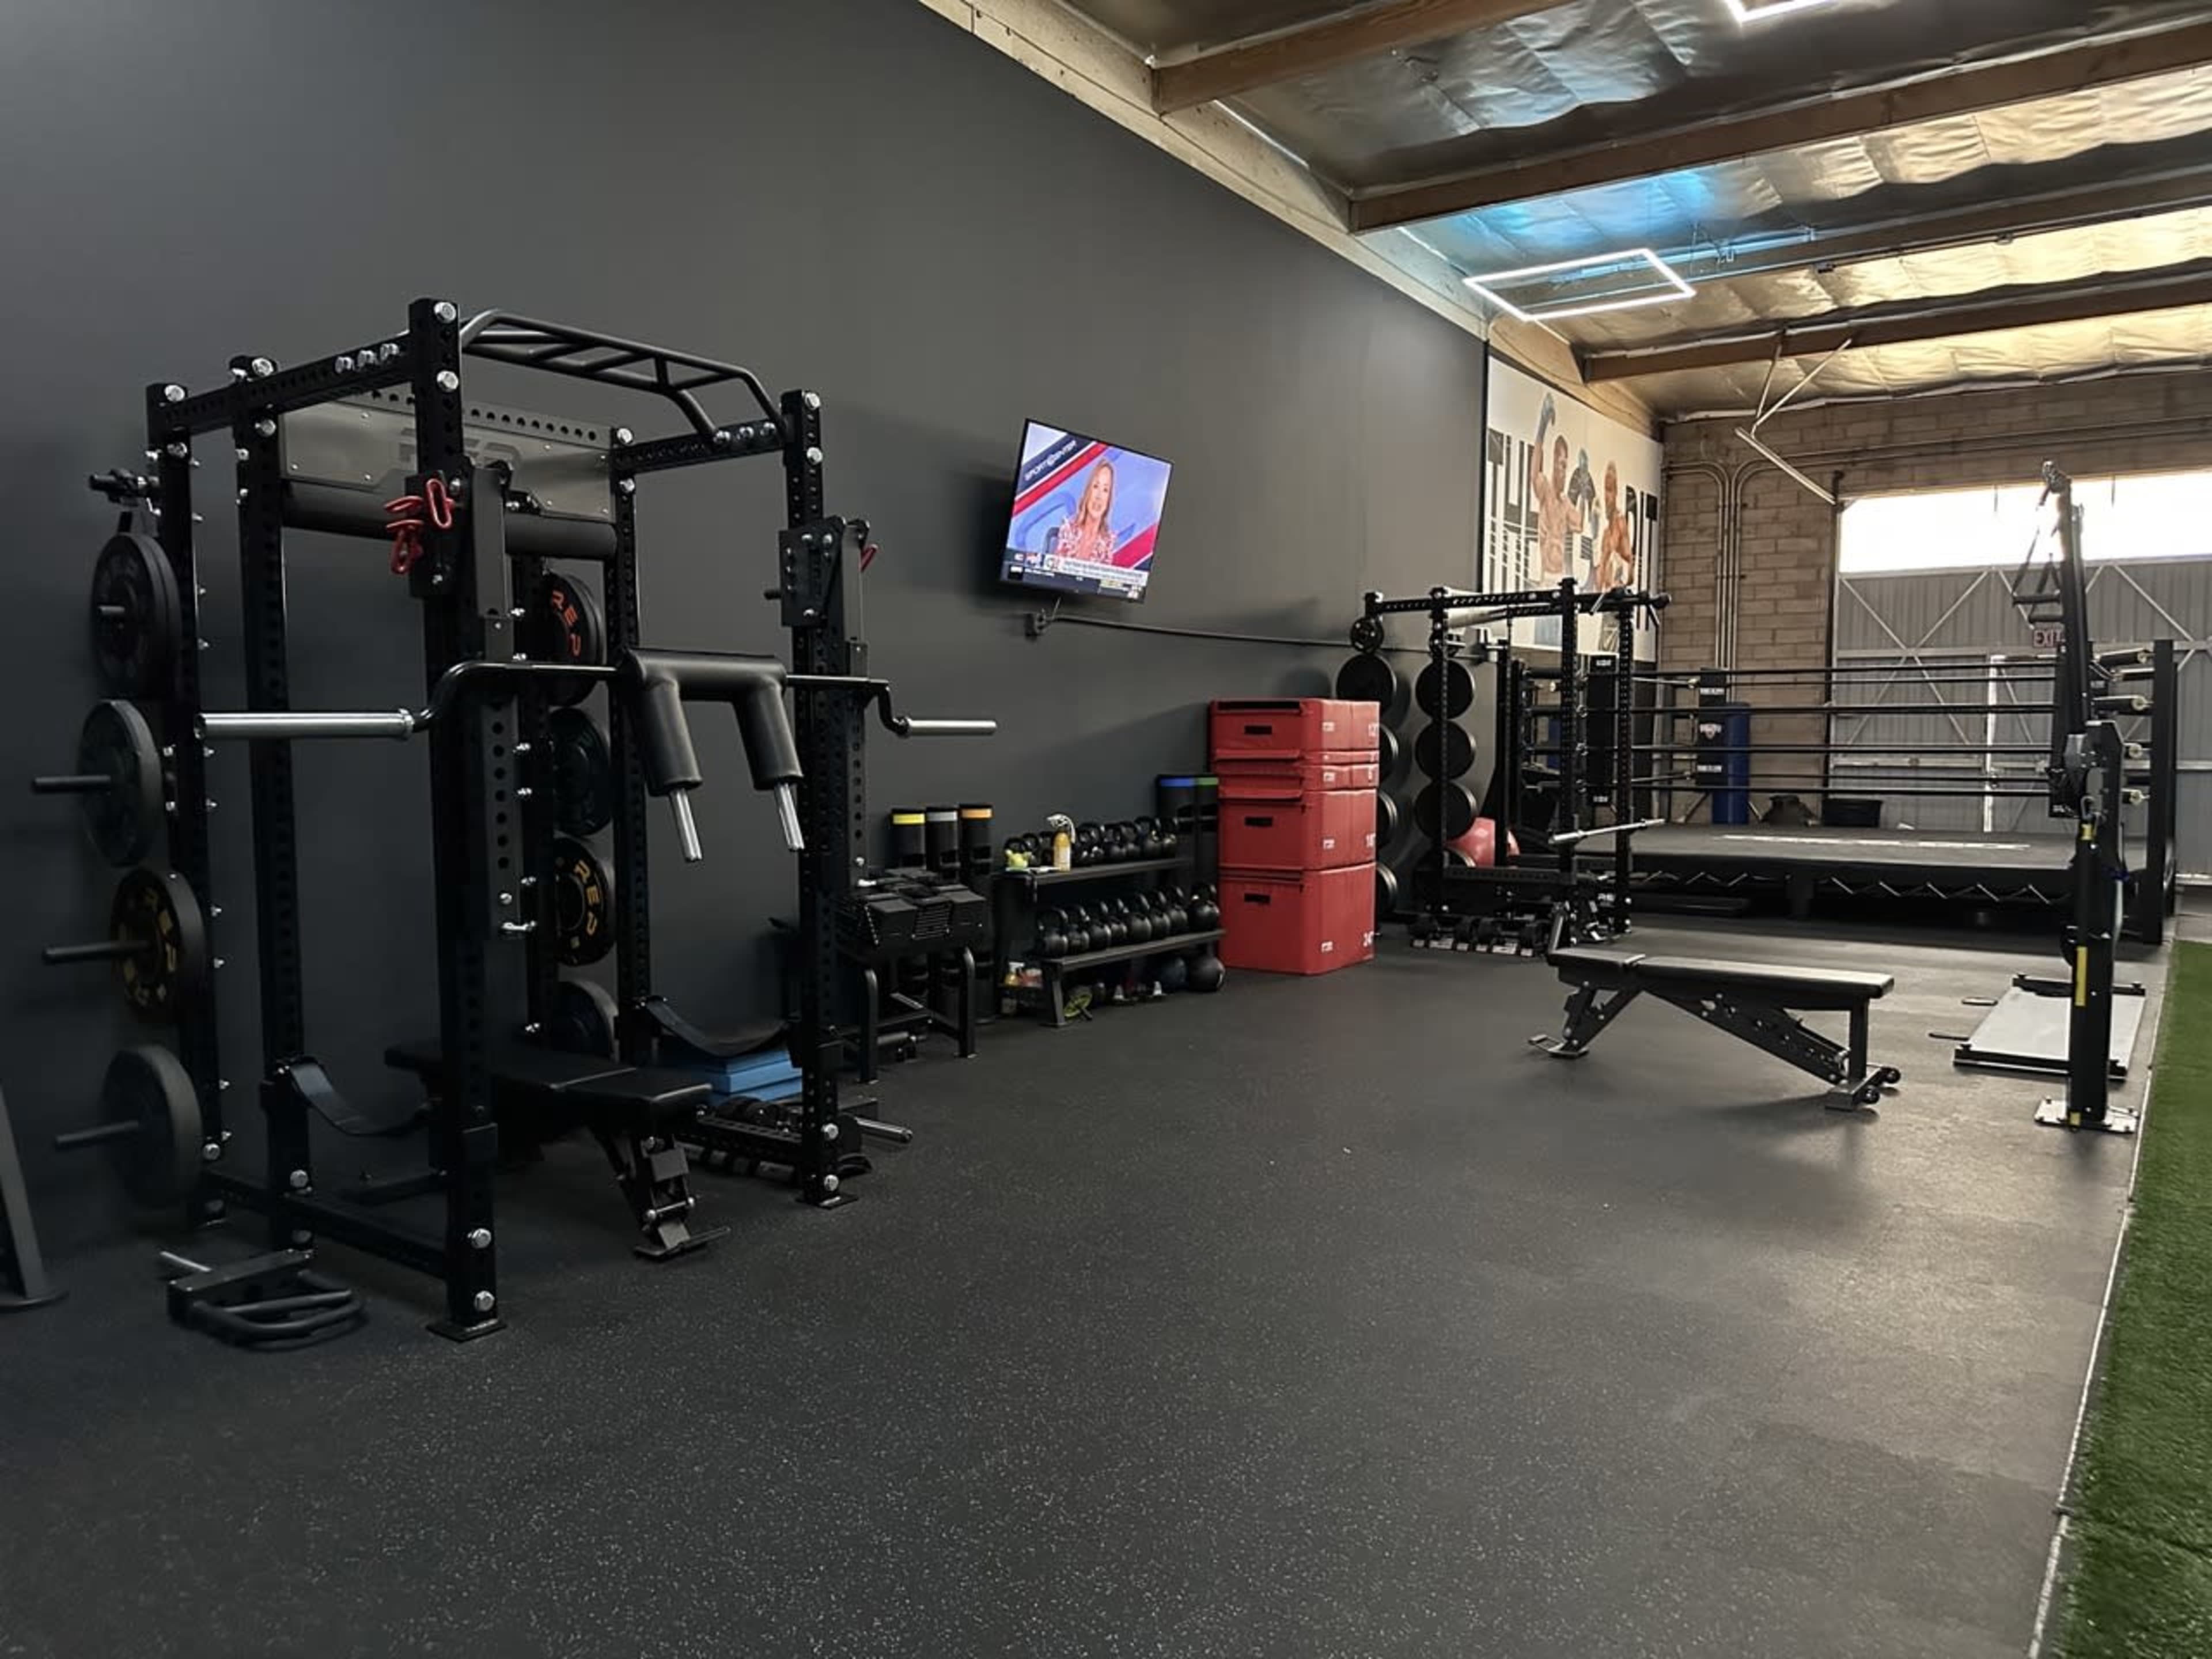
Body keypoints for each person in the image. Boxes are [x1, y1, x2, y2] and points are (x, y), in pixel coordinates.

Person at [1530, 431, 1583, 582]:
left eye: (1566, 466)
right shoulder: (1545, 491)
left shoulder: (1565, 504)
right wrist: (1542, 428)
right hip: (1545, 575)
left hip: (1560, 577)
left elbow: (1579, 525)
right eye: (1561, 465)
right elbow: (1534, 473)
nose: (1564, 472)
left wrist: (1584, 491)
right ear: (1554, 464)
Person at [1052, 460, 1118, 564]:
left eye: (1105, 490)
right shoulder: (1068, 528)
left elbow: (1102, 579)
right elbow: (1055, 571)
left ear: (1109, 500)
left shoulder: (1108, 541)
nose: (1099, 497)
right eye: (1096, 486)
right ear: (1088, 492)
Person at [1599, 463, 1635, 590]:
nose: (1607, 497)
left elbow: (1630, 565)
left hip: (1613, 597)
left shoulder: (1620, 523)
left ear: (1615, 493)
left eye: (1609, 490)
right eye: (1605, 490)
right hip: (1599, 599)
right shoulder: (1604, 528)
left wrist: (1618, 582)